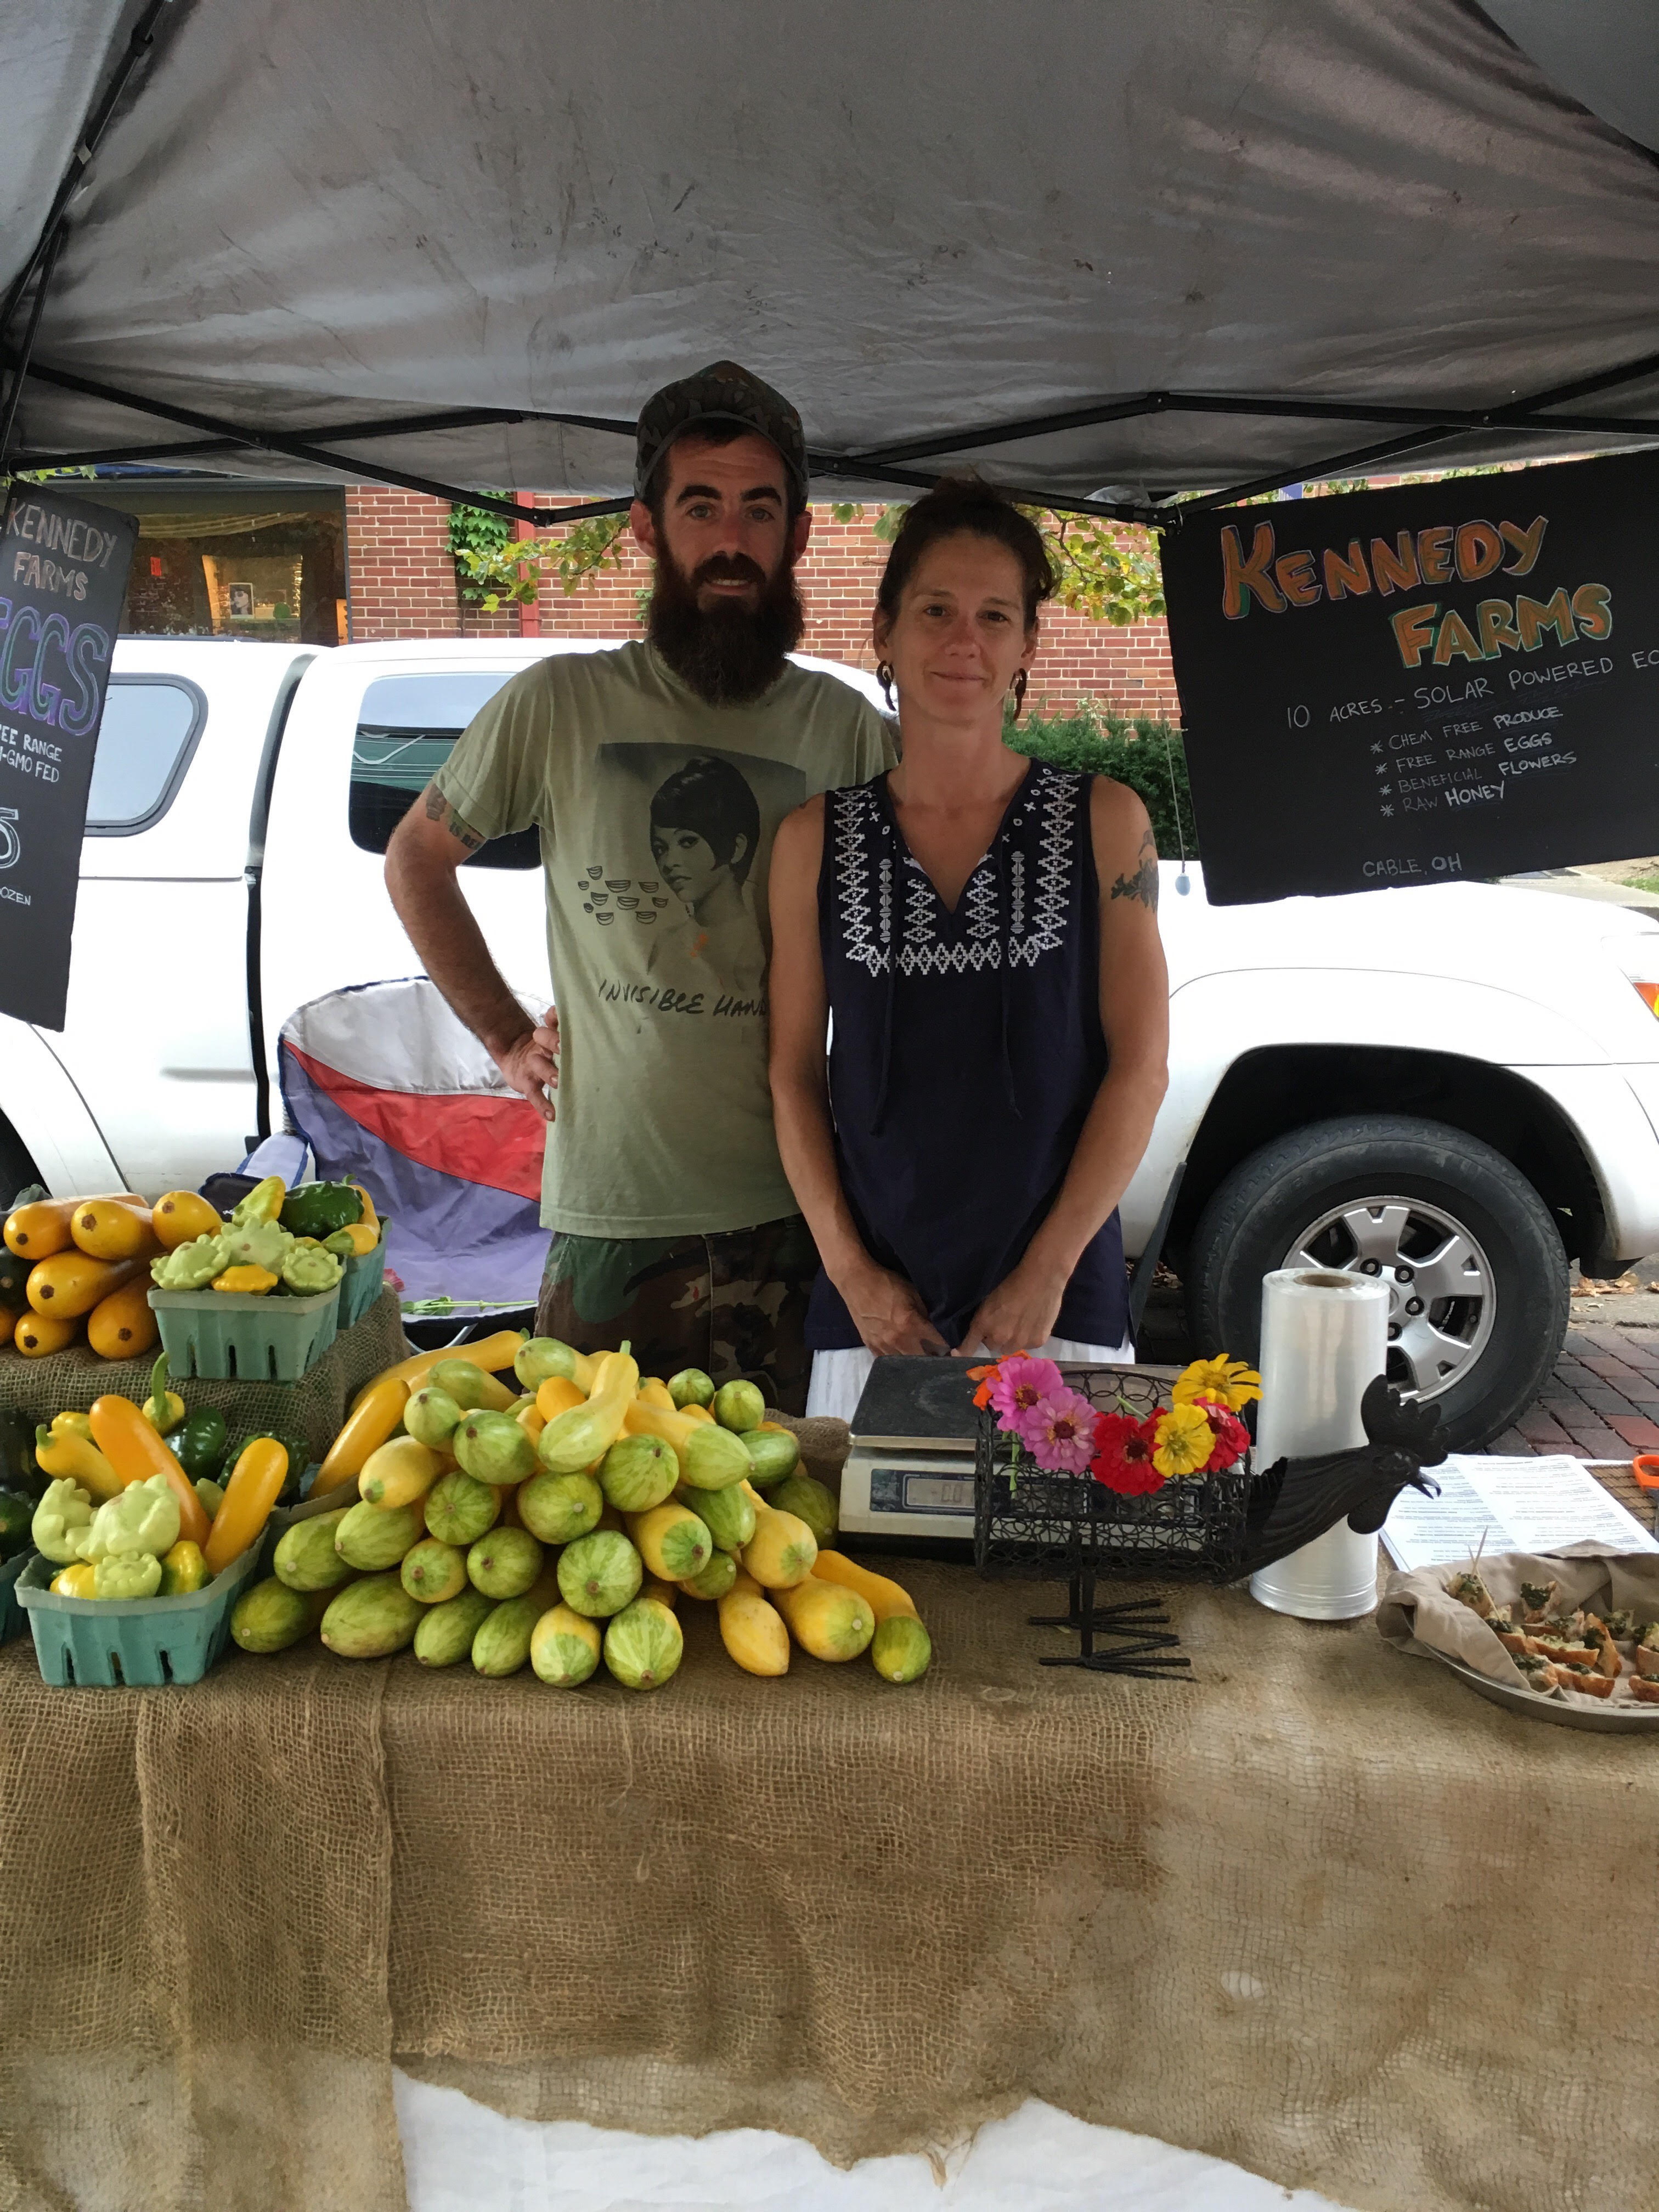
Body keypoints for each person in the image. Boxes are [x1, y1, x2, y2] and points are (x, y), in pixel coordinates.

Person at [385, 361, 894, 1411]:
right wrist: (502, 1034)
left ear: (798, 537)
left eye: (761, 510)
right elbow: (417, 859)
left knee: (786, 1546)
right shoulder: (561, 704)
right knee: (594, 1540)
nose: (731, 540)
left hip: (797, 1221)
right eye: (699, 505)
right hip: (613, 1220)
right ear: (647, 528)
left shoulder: (843, 731)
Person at [767, 481, 1171, 1420]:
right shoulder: (815, 840)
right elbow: (792, 1075)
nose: (963, 641)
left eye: (995, 615)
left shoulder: (1106, 820)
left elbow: (1140, 1068)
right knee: (862, 1561)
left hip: (1053, 1304)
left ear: (1028, 644)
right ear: (884, 631)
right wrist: (851, 1270)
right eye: (935, 610)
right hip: (877, 1311)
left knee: (1060, 1558)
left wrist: (1051, 1267)